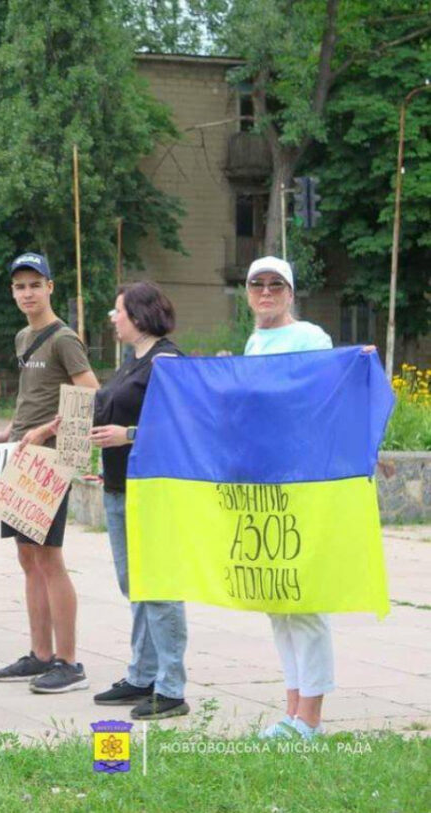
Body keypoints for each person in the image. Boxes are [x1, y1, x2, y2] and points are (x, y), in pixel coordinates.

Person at [0, 253, 99, 693]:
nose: (27, 293)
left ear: (51, 287)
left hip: (53, 457)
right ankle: (40, 654)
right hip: (24, 455)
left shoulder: (64, 339)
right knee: (27, 557)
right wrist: (11, 430)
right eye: (19, 287)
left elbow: (88, 393)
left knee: (49, 559)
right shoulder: (22, 338)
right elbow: (36, 394)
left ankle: (69, 662)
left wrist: (46, 429)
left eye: (35, 284)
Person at [84, 282, 189, 720]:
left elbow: (187, 426)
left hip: (153, 491)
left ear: (140, 316)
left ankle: (171, 688)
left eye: (118, 311)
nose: (113, 317)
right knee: (136, 585)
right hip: (118, 487)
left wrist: (127, 436)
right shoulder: (133, 362)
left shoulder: (167, 361)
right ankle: (142, 674)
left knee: (160, 587)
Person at [242, 257, 336, 741]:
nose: (266, 291)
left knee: (304, 598)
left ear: (291, 292)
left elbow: (325, 396)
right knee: (276, 598)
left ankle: (312, 718)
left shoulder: (311, 338)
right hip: (263, 478)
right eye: (257, 283)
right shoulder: (256, 341)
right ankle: (292, 710)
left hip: (300, 477)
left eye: (276, 284)